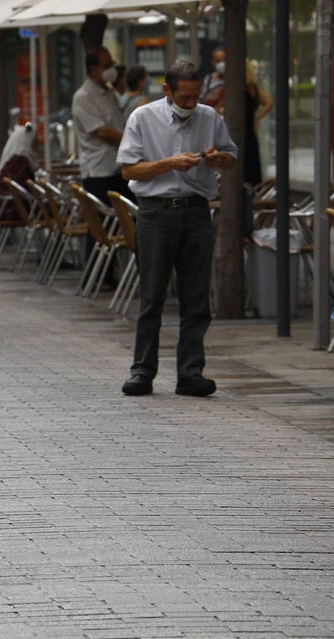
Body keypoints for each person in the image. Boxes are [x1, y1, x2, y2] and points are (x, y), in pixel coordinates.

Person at [117, 59, 238, 398]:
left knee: (196, 296)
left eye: (194, 96)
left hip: (196, 212)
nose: (190, 103)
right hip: (155, 213)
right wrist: (169, 163)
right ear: (167, 90)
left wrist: (218, 159)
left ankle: (190, 372)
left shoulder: (209, 117)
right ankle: (142, 371)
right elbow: (128, 170)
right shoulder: (143, 117)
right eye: (184, 96)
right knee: (152, 295)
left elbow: (231, 157)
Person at [72, 47, 129, 286]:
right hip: (98, 170)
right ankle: (96, 276)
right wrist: (130, 141)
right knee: (99, 225)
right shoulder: (84, 96)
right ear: (93, 69)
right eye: (107, 65)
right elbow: (100, 131)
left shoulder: (109, 94)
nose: (112, 68)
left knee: (121, 220)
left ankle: (112, 272)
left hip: (117, 167)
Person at [243, 61, 274, 186]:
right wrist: (257, 117)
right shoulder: (253, 88)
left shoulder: (239, 88)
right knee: (252, 162)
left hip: (241, 128)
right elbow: (269, 102)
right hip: (251, 127)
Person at [201, 47, 226, 112]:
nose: (221, 64)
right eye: (218, 61)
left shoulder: (233, 81)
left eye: (224, 61)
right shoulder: (208, 79)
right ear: (213, 62)